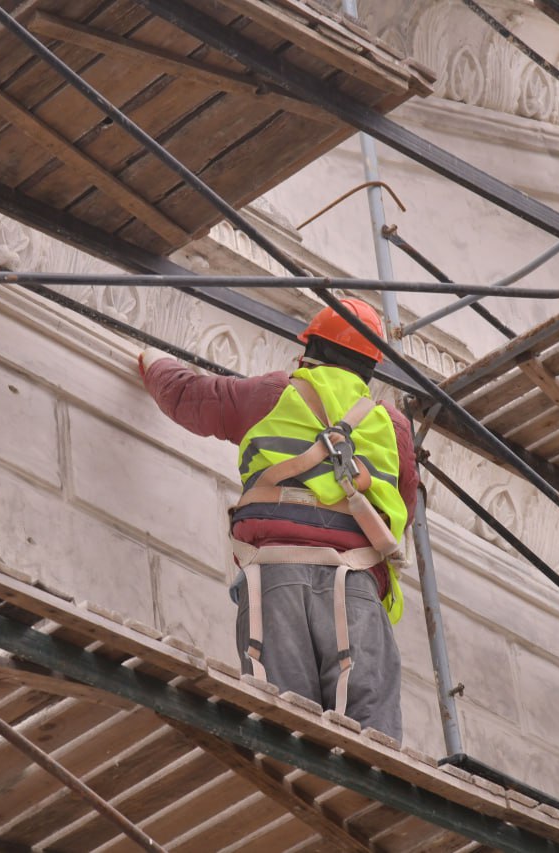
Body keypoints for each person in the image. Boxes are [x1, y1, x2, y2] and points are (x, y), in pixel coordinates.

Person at [138, 298, 417, 740]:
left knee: (285, 723)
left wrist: (151, 359)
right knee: (372, 730)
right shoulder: (392, 425)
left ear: (309, 350)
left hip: (276, 576)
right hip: (357, 583)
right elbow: (404, 507)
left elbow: (188, 397)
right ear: (370, 369)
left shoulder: (273, 395)